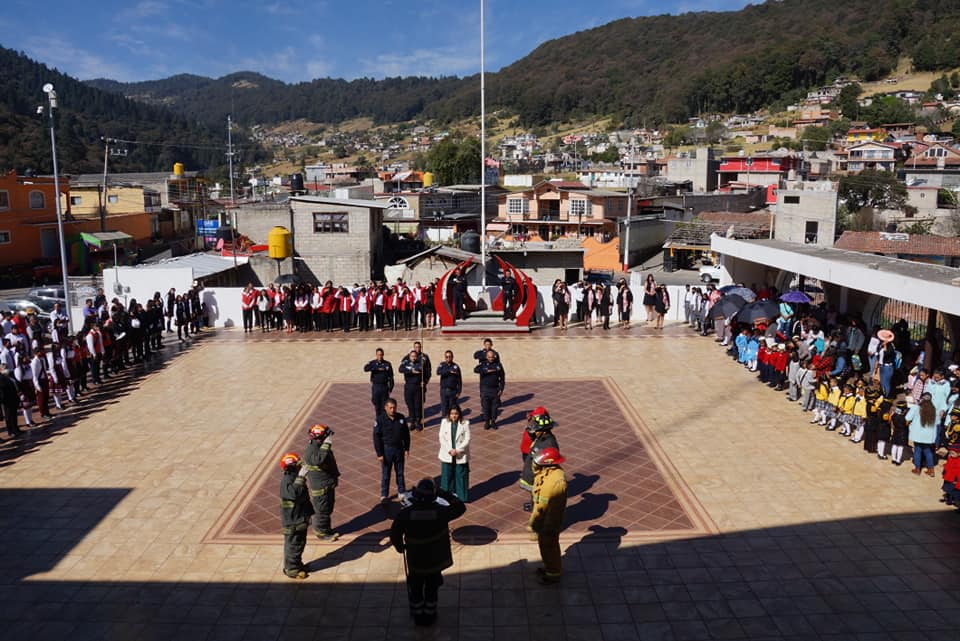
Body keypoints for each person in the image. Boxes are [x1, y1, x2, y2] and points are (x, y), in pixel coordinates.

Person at [390, 478, 466, 626]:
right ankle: (430, 615)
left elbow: (395, 535)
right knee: (432, 588)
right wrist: (443, 493)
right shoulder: (441, 512)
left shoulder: (405, 514)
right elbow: (460, 507)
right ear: (433, 496)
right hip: (434, 561)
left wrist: (400, 548)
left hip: (415, 561)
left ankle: (418, 615)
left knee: (416, 587)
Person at [528, 446, 568, 585]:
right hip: (542, 519)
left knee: (550, 545)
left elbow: (555, 509)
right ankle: (548, 567)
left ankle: (553, 574)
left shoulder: (557, 481)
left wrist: (549, 527)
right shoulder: (544, 473)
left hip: (549, 523)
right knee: (544, 545)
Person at [279, 452, 313, 579]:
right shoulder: (287, 480)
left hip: (299, 517)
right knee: (293, 545)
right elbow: (293, 494)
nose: (301, 466)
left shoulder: (293, 476)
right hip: (293, 521)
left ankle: (297, 564)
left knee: (299, 543)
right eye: (298, 464)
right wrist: (301, 478)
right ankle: (292, 569)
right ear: (292, 466)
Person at [304, 424, 340, 541]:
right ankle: (321, 532)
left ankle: (326, 529)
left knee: (328, 508)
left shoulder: (318, 446)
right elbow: (319, 460)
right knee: (322, 510)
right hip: (321, 487)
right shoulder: (311, 451)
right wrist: (326, 445)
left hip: (327, 484)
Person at [373, 398, 411, 503]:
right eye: (390, 408)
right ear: (386, 408)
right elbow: (376, 438)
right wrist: (379, 454)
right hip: (387, 450)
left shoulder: (401, 418)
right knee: (386, 474)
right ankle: (384, 494)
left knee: (400, 472)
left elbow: (406, 435)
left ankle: (402, 491)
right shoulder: (380, 420)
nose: (392, 410)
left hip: (399, 449)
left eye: (394, 407)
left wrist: (407, 448)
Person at [438, 404, 470, 502]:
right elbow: (441, 437)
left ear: (459, 414)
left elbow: (467, 439)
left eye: (456, 414)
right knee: (447, 476)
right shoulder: (444, 422)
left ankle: (462, 497)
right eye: (452, 414)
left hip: (460, 454)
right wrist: (449, 449)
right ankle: (447, 497)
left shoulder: (465, 423)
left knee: (461, 476)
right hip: (447, 453)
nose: (454, 416)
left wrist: (458, 450)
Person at [906, 392, 938, 477]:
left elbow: (907, 418)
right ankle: (931, 470)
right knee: (928, 451)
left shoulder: (916, 408)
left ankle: (917, 469)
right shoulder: (934, 409)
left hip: (917, 434)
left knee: (917, 450)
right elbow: (938, 422)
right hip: (929, 436)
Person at [474, 349, 505, 429]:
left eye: (492, 357)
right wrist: (486, 370)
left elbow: (502, 377)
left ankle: (493, 421)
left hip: (495, 389)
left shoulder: (498, 365)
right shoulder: (483, 364)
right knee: (486, 407)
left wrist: (501, 388)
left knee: (494, 407)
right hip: (485, 389)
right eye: (489, 357)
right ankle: (487, 422)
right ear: (486, 357)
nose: (491, 358)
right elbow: (475, 370)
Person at [399, 349, 426, 431]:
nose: (413, 358)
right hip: (408, 387)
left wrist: (424, 382)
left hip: (417, 387)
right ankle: (412, 422)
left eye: (415, 356)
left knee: (417, 405)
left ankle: (418, 422)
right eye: (412, 356)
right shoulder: (405, 363)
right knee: (410, 405)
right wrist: (411, 370)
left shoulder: (420, 363)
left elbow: (420, 370)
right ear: (409, 356)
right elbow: (400, 369)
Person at [363, 348, 394, 416]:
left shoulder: (387, 364)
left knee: (384, 404)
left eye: (381, 355)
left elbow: (391, 376)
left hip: (384, 386)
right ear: (376, 355)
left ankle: (383, 418)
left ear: (383, 355)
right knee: (376, 402)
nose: (380, 356)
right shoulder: (373, 363)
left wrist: (391, 387)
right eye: (378, 355)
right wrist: (375, 368)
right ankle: (378, 418)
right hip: (376, 386)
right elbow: (365, 368)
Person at [436, 350, 462, 421]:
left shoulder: (456, 367)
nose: (448, 358)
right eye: (446, 357)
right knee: (444, 408)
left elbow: (459, 380)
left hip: (453, 391)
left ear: (452, 357)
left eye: (449, 357)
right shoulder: (442, 365)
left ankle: (452, 422)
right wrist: (448, 371)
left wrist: (459, 391)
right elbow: (438, 372)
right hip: (444, 390)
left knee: (452, 408)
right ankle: (445, 421)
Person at [0, 365, 23, 437]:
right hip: (7, 400)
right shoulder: (2, 378)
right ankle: (11, 431)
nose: (6, 370)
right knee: (8, 416)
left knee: (14, 414)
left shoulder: (10, 377)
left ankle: (16, 429)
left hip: (13, 398)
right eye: (4, 368)